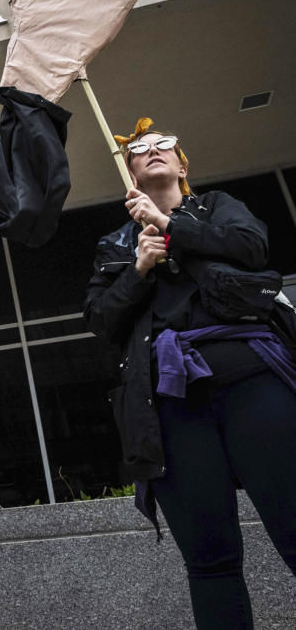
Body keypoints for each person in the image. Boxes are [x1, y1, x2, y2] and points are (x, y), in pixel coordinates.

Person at [83, 119, 296, 629]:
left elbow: (252, 248)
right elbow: (101, 320)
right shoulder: (116, 244)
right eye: (139, 147)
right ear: (128, 169)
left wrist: (173, 227)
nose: (151, 149)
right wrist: (137, 272)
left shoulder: (217, 208)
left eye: (163, 144)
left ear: (182, 166)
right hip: (170, 409)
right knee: (210, 560)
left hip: (252, 385)